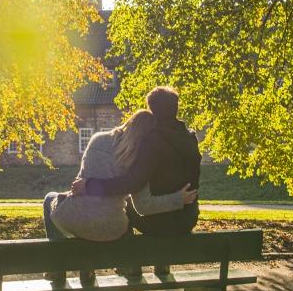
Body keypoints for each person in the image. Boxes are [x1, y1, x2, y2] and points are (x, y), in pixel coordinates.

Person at [42, 109, 197, 287]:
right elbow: (144, 206)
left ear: (129, 122)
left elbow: (81, 181)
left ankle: (57, 268)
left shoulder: (98, 139)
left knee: (50, 199)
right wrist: (178, 199)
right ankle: (119, 266)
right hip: (112, 229)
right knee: (117, 208)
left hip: (73, 219)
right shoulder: (140, 160)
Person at [72, 86, 202, 277]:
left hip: (161, 222)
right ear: (176, 108)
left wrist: (90, 185)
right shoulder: (190, 137)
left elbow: (131, 183)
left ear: (152, 109)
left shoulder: (152, 140)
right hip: (187, 218)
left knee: (124, 207)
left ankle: (128, 262)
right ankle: (161, 262)